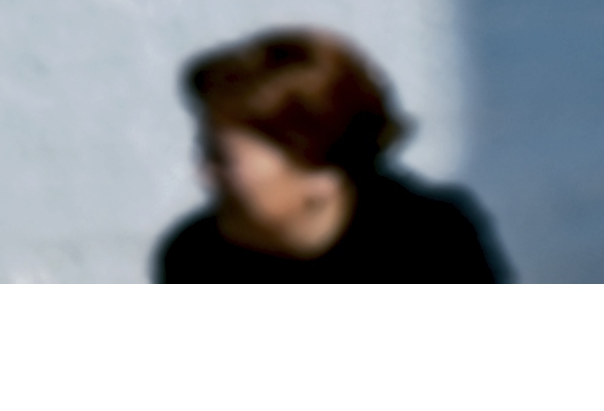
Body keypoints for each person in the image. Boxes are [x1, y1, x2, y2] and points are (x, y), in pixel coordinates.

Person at [155, 31, 509, 281]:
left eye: (223, 158)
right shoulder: (195, 256)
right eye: (205, 150)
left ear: (320, 169)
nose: (204, 174)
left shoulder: (433, 240)